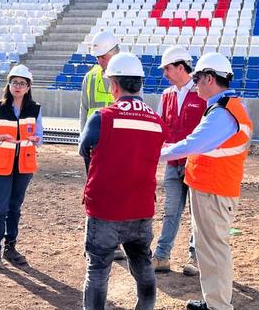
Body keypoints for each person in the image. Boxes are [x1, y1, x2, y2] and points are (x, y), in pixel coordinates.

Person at [159, 52, 253, 310]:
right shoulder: (224, 107)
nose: (195, 82)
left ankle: (218, 306)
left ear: (209, 78)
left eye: (198, 77)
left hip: (214, 190)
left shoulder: (222, 112)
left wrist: (157, 154)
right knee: (210, 248)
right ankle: (214, 302)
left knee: (213, 249)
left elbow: (195, 143)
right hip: (213, 188)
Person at [78, 52, 168, 310]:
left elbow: (84, 149)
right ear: (140, 84)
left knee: (97, 269)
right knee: (143, 262)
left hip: (105, 208)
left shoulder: (102, 117)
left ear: (113, 85)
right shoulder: (155, 120)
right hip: (140, 207)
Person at [0, 65, 44, 270]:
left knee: (15, 208)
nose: (18, 86)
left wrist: (36, 139)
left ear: (28, 87)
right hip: (2, 165)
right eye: (14, 82)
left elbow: (40, 136)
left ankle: (10, 247)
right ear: (8, 85)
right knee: (0, 208)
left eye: (22, 83)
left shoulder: (35, 109)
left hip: (24, 165)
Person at [153, 47, 206, 276]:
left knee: (198, 213)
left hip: (197, 165)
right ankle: (162, 256)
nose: (165, 72)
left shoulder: (203, 95)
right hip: (174, 164)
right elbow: (161, 126)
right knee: (170, 210)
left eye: (167, 68)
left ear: (180, 67)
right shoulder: (166, 95)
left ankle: (196, 258)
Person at [79, 30, 127, 260]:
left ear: (115, 52)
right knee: (94, 194)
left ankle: (115, 242)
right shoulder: (90, 78)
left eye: (103, 57)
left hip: (119, 148)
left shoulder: (127, 76)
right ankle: (94, 239)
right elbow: (84, 111)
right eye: (97, 57)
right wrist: (83, 140)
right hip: (95, 147)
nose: (100, 61)